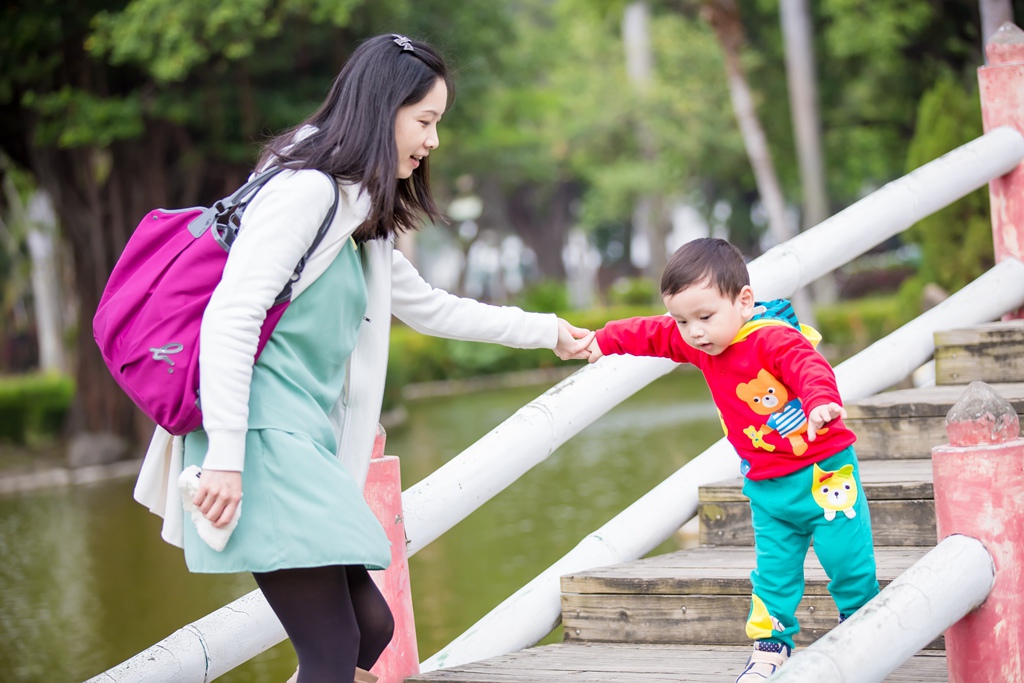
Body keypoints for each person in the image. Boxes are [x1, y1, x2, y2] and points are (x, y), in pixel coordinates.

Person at [132, 33, 593, 683]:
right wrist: (228, 459)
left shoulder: (360, 216)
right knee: (335, 643)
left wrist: (549, 332)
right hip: (259, 438)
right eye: (425, 121)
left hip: (297, 442)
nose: (432, 140)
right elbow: (230, 317)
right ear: (384, 110)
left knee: (368, 628)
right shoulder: (304, 193)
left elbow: (430, 306)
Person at [585, 238, 878, 682]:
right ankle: (771, 647)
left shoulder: (773, 338)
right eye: (683, 320)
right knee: (773, 575)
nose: (694, 331)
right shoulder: (700, 344)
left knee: (847, 564)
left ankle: (862, 633)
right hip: (767, 486)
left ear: (743, 301)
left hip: (826, 475)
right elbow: (649, 332)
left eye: (704, 317)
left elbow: (809, 366)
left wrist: (820, 401)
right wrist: (601, 339)